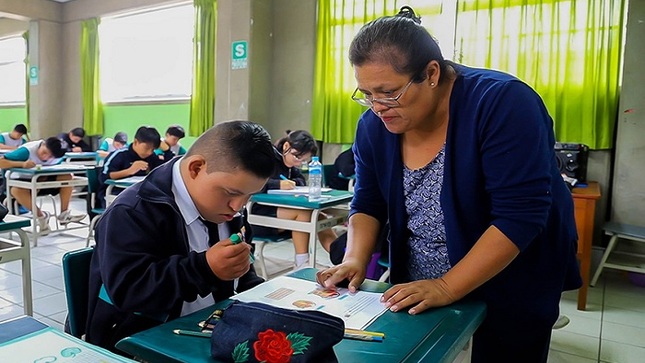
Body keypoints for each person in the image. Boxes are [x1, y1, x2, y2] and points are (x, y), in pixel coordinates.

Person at [316, 7, 581, 363]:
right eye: (366, 93)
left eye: (388, 92)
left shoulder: (502, 103)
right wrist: (354, 259)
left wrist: (447, 286)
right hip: (421, 282)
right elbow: (368, 204)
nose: (378, 107)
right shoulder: (374, 126)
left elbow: (519, 215)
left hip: (508, 275)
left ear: (431, 73)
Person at [85, 120, 274, 352]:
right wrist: (205, 268)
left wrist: (264, 299)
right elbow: (129, 292)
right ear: (195, 168)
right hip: (143, 341)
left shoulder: (225, 208)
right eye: (231, 193)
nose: (238, 206)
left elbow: (242, 274)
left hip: (209, 326)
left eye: (249, 196)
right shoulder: (132, 212)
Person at [251, 130, 337, 269]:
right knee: (304, 213)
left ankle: (340, 257)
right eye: (297, 157)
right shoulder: (267, 158)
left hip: (281, 212)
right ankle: (302, 263)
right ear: (286, 146)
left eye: (303, 160)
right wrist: (277, 184)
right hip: (258, 213)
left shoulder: (289, 164)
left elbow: (301, 180)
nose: (299, 162)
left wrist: (294, 182)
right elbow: (252, 183)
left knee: (320, 217)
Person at [0, 137, 87, 234]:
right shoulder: (26, 151)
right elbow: (1, 162)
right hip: (19, 180)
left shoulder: (58, 155)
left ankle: (64, 214)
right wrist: (22, 164)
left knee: (67, 177)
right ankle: (41, 217)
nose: (46, 158)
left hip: (41, 179)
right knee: (16, 190)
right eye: (45, 153)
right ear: (43, 144)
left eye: (51, 157)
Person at [97, 126, 163, 208]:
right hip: (113, 194)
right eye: (147, 148)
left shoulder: (152, 157)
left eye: (153, 149)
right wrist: (130, 170)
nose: (150, 152)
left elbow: (161, 173)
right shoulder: (119, 155)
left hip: (140, 193)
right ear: (136, 142)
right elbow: (103, 177)